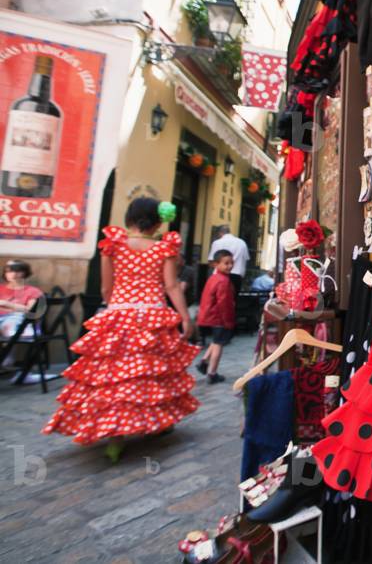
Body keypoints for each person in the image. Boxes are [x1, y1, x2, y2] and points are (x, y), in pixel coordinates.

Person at [42, 197, 199, 463]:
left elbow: (106, 288)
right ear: (158, 221)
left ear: (129, 218)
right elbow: (172, 287)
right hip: (152, 315)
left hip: (119, 313)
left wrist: (116, 305)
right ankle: (160, 423)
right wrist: (185, 317)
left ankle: (115, 438)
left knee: (114, 376)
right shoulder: (164, 249)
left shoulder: (113, 245)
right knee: (152, 373)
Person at [196, 250, 235, 384]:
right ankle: (212, 373)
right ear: (216, 264)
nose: (230, 266)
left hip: (209, 315)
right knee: (219, 344)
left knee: (216, 340)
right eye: (226, 263)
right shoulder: (223, 281)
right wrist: (228, 321)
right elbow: (224, 304)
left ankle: (204, 361)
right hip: (218, 317)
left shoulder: (213, 278)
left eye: (231, 263)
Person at [208, 225, 249, 293]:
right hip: (237, 276)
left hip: (220, 275)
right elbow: (246, 260)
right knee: (233, 301)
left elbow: (211, 261)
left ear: (220, 233)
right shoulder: (242, 243)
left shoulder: (217, 243)